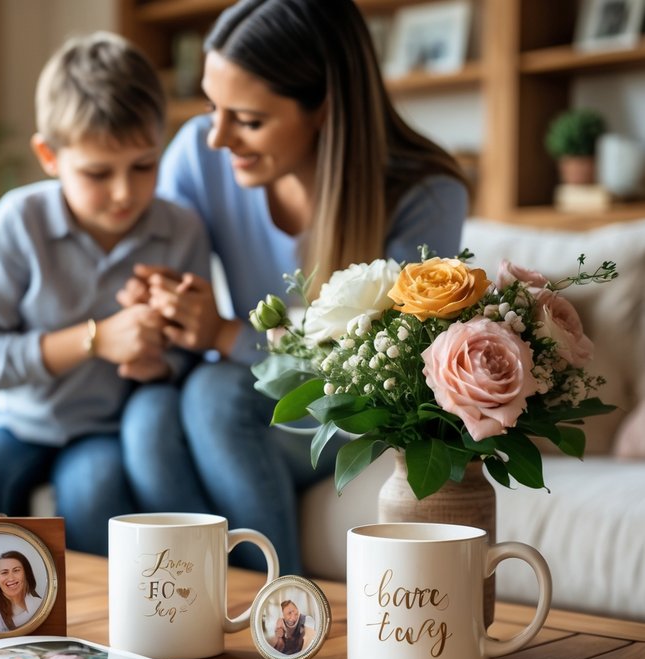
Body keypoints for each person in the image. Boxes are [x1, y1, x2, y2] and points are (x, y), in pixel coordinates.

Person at [117, 0, 469, 574]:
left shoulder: (426, 193)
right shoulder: (199, 155)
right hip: (243, 382)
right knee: (148, 419)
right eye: (213, 107)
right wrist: (155, 309)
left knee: (211, 399)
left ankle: (283, 614)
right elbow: (159, 276)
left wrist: (228, 333)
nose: (217, 138)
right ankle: (192, 612)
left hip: (350, 402)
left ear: (325, 108)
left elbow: (389, 365)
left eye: (249, 120)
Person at [0, 31, 211, 556]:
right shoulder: (19, 222)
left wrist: (160, 364)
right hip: (16, 420)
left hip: (103, 430)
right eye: (98, 173)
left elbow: (196, 357)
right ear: (49, 156)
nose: (125, 192)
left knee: (96, 492)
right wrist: (94, 339)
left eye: (144, 166)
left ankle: (97, 637)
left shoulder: (182, 231)